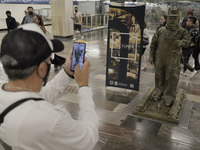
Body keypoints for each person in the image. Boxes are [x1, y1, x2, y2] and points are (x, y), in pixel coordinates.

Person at [0, 23, 99, 150]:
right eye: (49, 60)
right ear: (42, 69)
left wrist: (67, 72)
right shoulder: (48, 119)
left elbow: (39, 96)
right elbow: (88, 138)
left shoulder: (6, 93)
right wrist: (84, 86)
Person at [149, 10, 191, 107]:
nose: (172, 20)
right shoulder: (161, 30)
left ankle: (169, 96)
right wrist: (151, 56)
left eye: (174, 18)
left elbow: (187, 42)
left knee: (171, 78)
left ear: (178, 19)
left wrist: (180, 42)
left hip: (173, 59)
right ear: (167, 19)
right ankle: (158, 92)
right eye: (170, 18)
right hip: (160, 59)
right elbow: (153, 44)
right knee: (159, 76)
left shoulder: (182, 31)